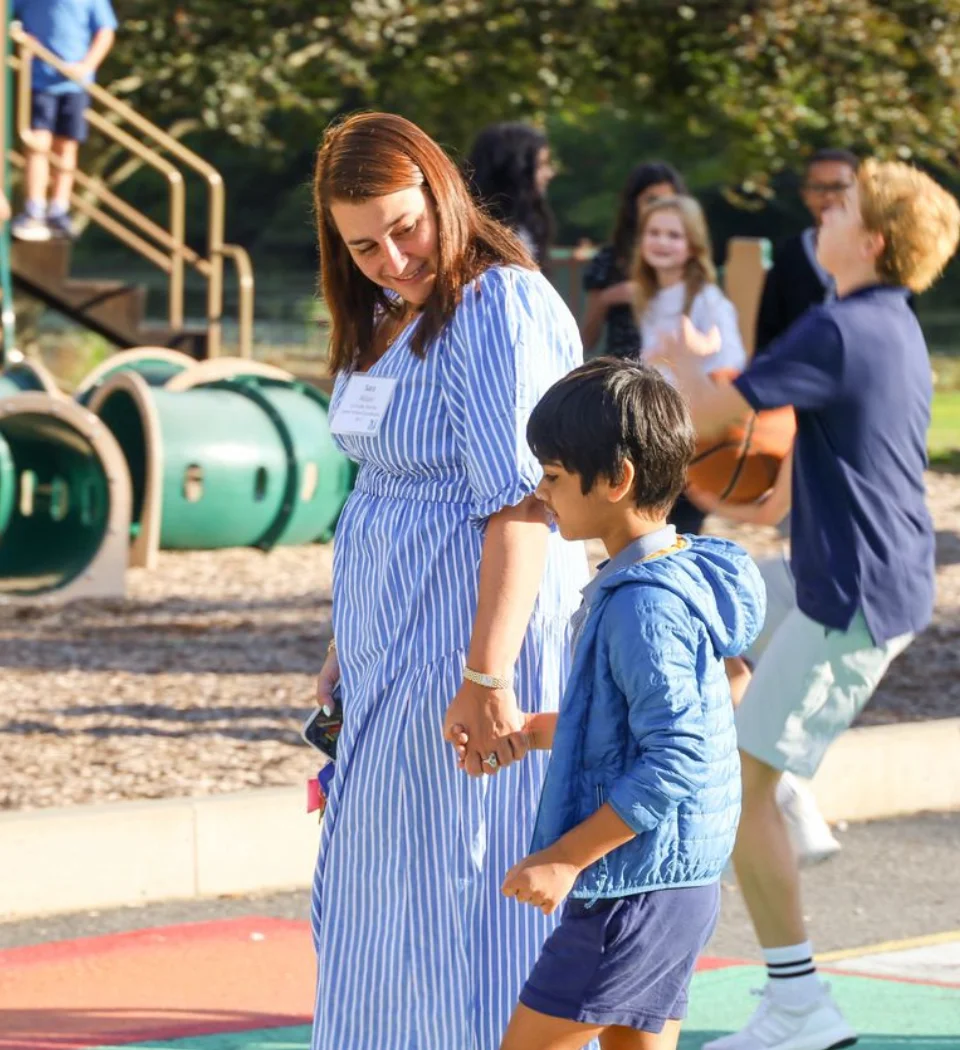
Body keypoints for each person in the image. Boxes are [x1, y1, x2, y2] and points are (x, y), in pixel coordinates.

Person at [654, 159, 960, 1050]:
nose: (824, 214)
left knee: (736, 789)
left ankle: (799, 1005)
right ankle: (789, 796)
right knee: (696, 605)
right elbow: (790, 447)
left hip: (850, 598)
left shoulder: (838, 329)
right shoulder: (885, 324)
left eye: (843, 207)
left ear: (870, 242)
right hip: (850, 575)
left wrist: (678, 364)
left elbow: (716, 415)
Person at [310, 112, 588, 1050]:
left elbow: (520, 503)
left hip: (470, 640)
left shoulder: (496, 304)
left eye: (404, 227)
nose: (391, 256)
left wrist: (486, 677)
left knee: (466, 885)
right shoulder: (388, 311)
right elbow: (384, 494)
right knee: (392, 892)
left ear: (443, 193)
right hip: (398, 641)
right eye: (363, 244)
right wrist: (347, 643)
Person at [453, 359, 764, 1050]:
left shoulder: (643, 607)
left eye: (555, 475)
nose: (541, 492)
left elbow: (679, 756)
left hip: (635, 888)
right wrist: (537, 734)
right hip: (673, 881)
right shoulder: (674, 573)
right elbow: (694, 708)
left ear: (617, 479)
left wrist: (565, 855)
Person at [687, 457, 843, 867]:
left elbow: (773, 509)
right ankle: (787, 801)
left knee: (709, 649)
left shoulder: (806, 413)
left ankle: (787, 800)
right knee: (721, 666)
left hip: (819, 584)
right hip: (851, 584)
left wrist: (704, 494)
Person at [633, 194, 747, 536]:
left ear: (693, 244)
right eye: (654, 232)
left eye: (674, 235)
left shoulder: (708, 303)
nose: (662, 242)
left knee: (677, 536)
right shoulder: (652, 299)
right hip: (653, 439)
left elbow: (730, 368)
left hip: (690, 442)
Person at [12, 0, 118, 241]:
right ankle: (34, 208)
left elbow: (105, 31)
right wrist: (21, 37)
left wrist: (86, 66)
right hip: (39, 81)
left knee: (66, 146)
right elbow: (10, 19)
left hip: (74, 83)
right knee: (37, 144)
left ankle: (59, 210)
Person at [754, 149, 859, 355]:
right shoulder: (790, 253)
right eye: (818, 187)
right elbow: (768, 330)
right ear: (805, 194)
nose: (828, 196)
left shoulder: (878, 251)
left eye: (838, 187)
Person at [581, 161, 687, 358]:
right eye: (651, 200)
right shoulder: (610, 258)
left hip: (672, 374)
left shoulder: (687, 258)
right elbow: (586, 340)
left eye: (667, 202)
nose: (658, 209)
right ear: (633, 204)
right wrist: (608, 298)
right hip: (623, 376)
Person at [465, 122, 556, 268]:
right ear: (515, 170)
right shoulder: (469, 229)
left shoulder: (529, 223)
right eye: (540, 165)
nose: (549, 174)